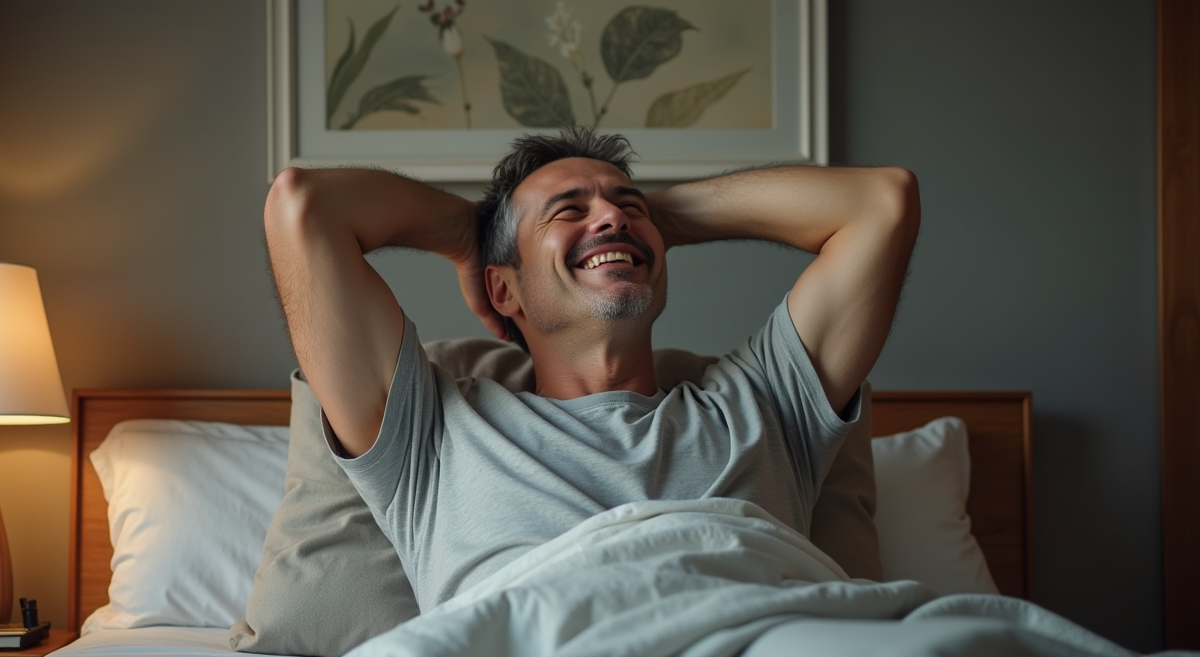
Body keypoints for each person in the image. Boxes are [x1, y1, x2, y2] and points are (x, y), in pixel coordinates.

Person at [264, 128, 920, 611]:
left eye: (628, 207)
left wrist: (656, 219)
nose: (610, 216)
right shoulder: (431, 432)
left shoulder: (764, 404)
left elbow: (882, 202)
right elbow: (304, 205)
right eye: (568, 210)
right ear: (503, 290)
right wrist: (470, 234)